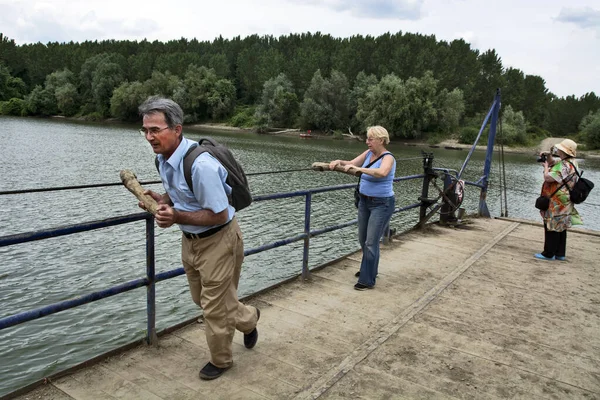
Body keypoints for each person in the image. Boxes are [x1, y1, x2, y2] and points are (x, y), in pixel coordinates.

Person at [137, 96, 259, 380]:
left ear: (177, 129)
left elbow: (218, 214)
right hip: (190, 241)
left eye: (156, 130)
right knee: (202, 300)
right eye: (145, 130)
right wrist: (162, 199)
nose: (149, 136)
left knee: (214, 309)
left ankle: (221, 361)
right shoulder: (163, 159)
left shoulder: (201, 166)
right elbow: (181, 192)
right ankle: (249, 318)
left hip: (219, 239)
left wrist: (176, 216)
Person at [329, 126, 396, 290]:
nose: (367, 142)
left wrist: (360, 169)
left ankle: (367, 280)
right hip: (364, 202)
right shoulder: (368, 154)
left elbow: (381, 172)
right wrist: (339, 162)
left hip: (382, 204)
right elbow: (352, 163)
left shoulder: (388, 158)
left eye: (370, 139)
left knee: (371, 241)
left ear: (381, 140)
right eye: (367, 138)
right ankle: (370, 268)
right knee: (363, 239)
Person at [535, 138, 582, 261]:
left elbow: (548, 178)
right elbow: (555, 164)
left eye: (559, 149)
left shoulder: (564, 165)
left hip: (557, 201)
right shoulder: (571, 162)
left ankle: (549, 253)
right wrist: (549, 158)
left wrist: (545, 167)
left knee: (551, 224)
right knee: (561, 226)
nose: (558, 151)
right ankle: (560, 253)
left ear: (563, 151)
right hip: (566, 200)